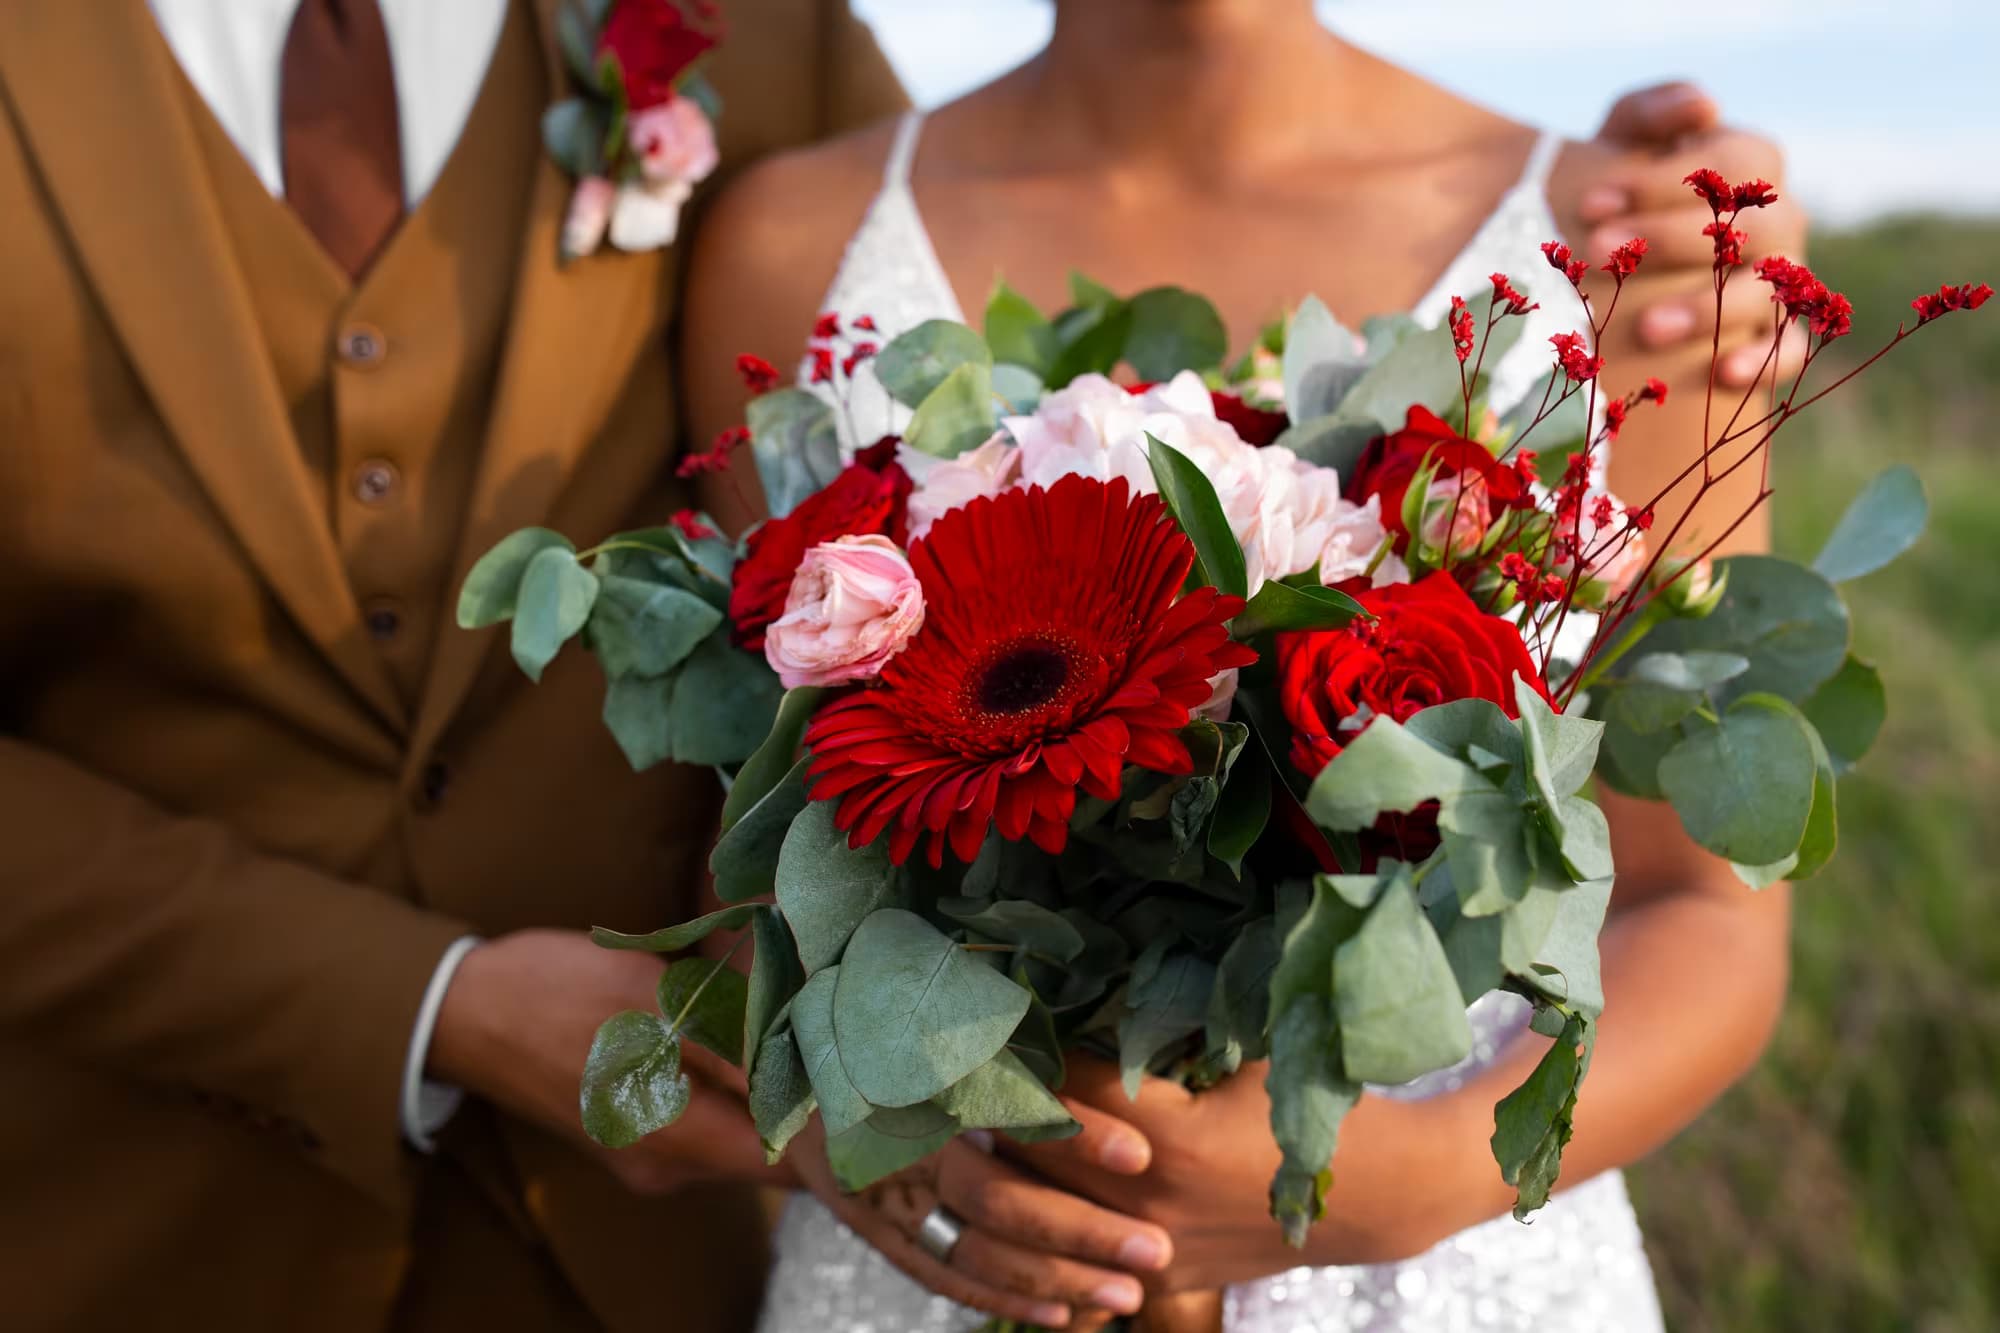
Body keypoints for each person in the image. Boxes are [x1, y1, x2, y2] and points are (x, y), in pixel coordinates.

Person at [679, 2, 1801, 1329]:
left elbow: (1708, 911)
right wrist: (877, 1135)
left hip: (1436, 1265)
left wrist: (1411, 1174)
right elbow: (747, 866)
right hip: (959, 1249)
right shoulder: (788, 240)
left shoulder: (1642, 249)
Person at [0, 2, 915, 1330]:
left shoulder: (775, 29)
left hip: (668, 1261)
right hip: (106, 1229)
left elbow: (944, 462)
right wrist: (435, 1004)